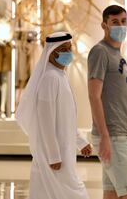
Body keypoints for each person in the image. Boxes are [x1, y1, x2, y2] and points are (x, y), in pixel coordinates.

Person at [16, 32, 92, 199]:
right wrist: (53, 156)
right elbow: (46, 122)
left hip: (63, 150)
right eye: (63, 49)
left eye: (69, 48)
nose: (68, 53)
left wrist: (81, 142)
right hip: (54, 154)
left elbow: (67, 120)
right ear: (52, 53)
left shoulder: (60, 76)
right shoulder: (49, 79)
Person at [88, 5, 127, 199]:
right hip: (113, 137)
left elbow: (121, 99)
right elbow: (94, 95)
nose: (121, 26)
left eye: (124, 22)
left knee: (111, 195)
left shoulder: (119, 56)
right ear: (105, 25)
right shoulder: (100, 52)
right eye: (115, 22)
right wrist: (104, 136)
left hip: (122, 135)